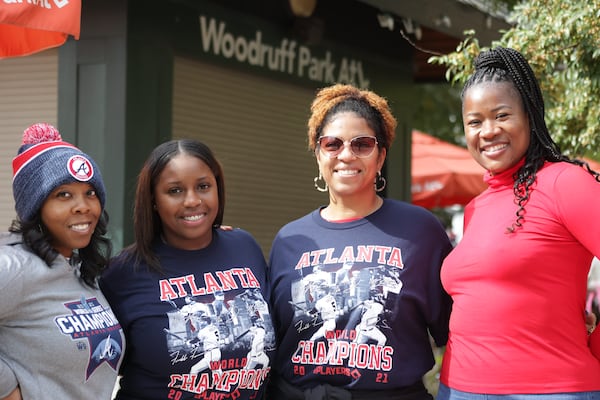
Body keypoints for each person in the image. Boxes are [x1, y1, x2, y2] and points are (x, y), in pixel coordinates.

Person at [267, 84, 453, 399]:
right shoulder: (289, 239)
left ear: (381, 156)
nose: (346, 155)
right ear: (318, 154)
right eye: (332, 144)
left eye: (362, 144)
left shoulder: (420, 231)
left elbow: (456, 333)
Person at [438, 47, 600, 400]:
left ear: (530, 115)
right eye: (475, 121)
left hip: (549, 390)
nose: (488, 131)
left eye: (502, 115)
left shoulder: (565, 183)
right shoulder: (475, 208)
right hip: (458, 388)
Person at [99, 139, 275, 399]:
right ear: (154, 200)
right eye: (175, 191)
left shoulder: (244, 247)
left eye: (203, 186)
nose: (192, 201)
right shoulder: (123, 273)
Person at [0, 123, 124, 400]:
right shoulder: (13, 265)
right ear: (36, 207)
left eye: (90, 193)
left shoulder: (79, 268)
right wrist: (8, 390)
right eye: (63, 194)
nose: (83, 206)